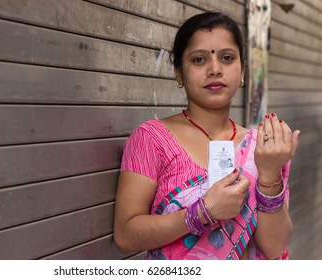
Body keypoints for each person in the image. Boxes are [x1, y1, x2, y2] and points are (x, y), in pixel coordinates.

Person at [113, 12, 300, 260]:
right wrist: (201, 213)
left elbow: (275, 248)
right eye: (199, 60)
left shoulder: (261, 148)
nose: (214, 69)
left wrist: (268, 175)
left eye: (227, 58)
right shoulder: (151, 139)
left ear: (242, 71)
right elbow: (126, 236)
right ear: (179, 73)